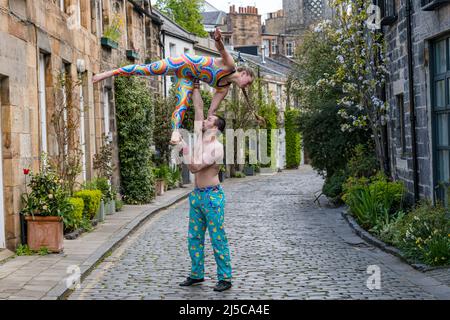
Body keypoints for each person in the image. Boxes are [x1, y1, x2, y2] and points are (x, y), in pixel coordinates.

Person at [92, 28, 254, 145]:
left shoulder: (223, 88)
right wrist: (218, 39)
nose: (247, 86)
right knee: (146, 70)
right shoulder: (230, 65)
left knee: (182, 102)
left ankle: (175, 131)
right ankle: (107, 73)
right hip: (182, 63)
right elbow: (221, 50)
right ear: (244, 73)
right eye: (249, 81)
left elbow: (210, 112)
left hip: (188, 77)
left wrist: (203, 130)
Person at [178, 79, 232, 292]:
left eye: (210, 119)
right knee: (194, 237)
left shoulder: (216, 149)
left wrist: (184, 148)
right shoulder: (201, 136)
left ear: (215, 127)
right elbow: (199, 107)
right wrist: (196, 87)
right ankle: (197, 274)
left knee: (217, 237)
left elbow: (194, 168)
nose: (205, 119)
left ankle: (225, 278)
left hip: (212, 196)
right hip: (197, 195)